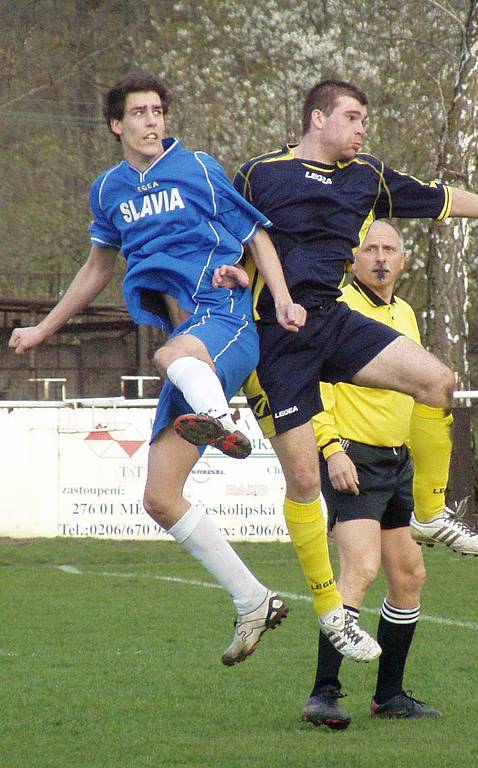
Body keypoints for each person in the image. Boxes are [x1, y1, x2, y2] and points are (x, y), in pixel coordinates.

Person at [208, 79, 478, 668]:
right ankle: (331, 613)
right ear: (317, 118)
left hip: (330, 319)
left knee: (439, 382)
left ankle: (429, 511)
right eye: (352, 117)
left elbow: (445, 199)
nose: (361, 128)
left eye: (364, 120)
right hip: (277, 340)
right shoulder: (259, 174)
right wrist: (234, 275)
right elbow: (232, 243)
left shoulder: (367, 176)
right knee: (303, 483)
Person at [8, 70, 311, 667]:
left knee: (170, 356)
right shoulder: (107, 191)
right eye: (139, 113)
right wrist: (45, 328)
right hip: (186, 350)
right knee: (160, 497)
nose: (152, 121)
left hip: (221, 321)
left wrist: (279, 297)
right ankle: (253, 600)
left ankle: (223, 423)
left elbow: (257, 236)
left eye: (158, 111)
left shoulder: (198, 167)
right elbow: (98, 268)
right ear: (117, 124)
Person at [302, 219, 448, 729]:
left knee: (408, 576)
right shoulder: (335, 309)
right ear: (353, 258)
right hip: (352, 458)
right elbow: (312, 383)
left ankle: (389, 697)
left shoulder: (405, 313)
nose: (381, 258)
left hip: (396, 461)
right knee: (360, 570)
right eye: (371, 249)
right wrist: (331, 447)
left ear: (403, 260)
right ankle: (323, 693)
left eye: (390, 249)